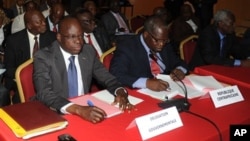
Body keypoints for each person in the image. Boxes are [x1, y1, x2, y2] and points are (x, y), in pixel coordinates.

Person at [33, 16, 134, 123]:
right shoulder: (44, 56)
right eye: (72, 37)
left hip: (84, 107)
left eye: (81, 36)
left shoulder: (88, 51)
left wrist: (120, 92)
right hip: (55, 111)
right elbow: (44, 92)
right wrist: (78, 109)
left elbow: (108, 78)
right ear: (59, 37)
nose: (78, 41)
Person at [110, 15, 189, 92]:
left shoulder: (165, 44)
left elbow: (178, 61)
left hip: (168, 88)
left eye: (164, 40)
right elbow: (117, 74)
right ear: (146, 34)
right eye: (157, 40)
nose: (161, 44)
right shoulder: (127, 47)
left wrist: (180, 69)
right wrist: (146, 82)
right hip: (141, 91)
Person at [4, 10, 56, 104]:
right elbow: (9, 69)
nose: (44, 23)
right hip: (22, 83)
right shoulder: (14, 41)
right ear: (29, 25)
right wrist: (27, 78)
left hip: (48, 82)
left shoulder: (52, 38)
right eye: (38, 22)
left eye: (43, 20)